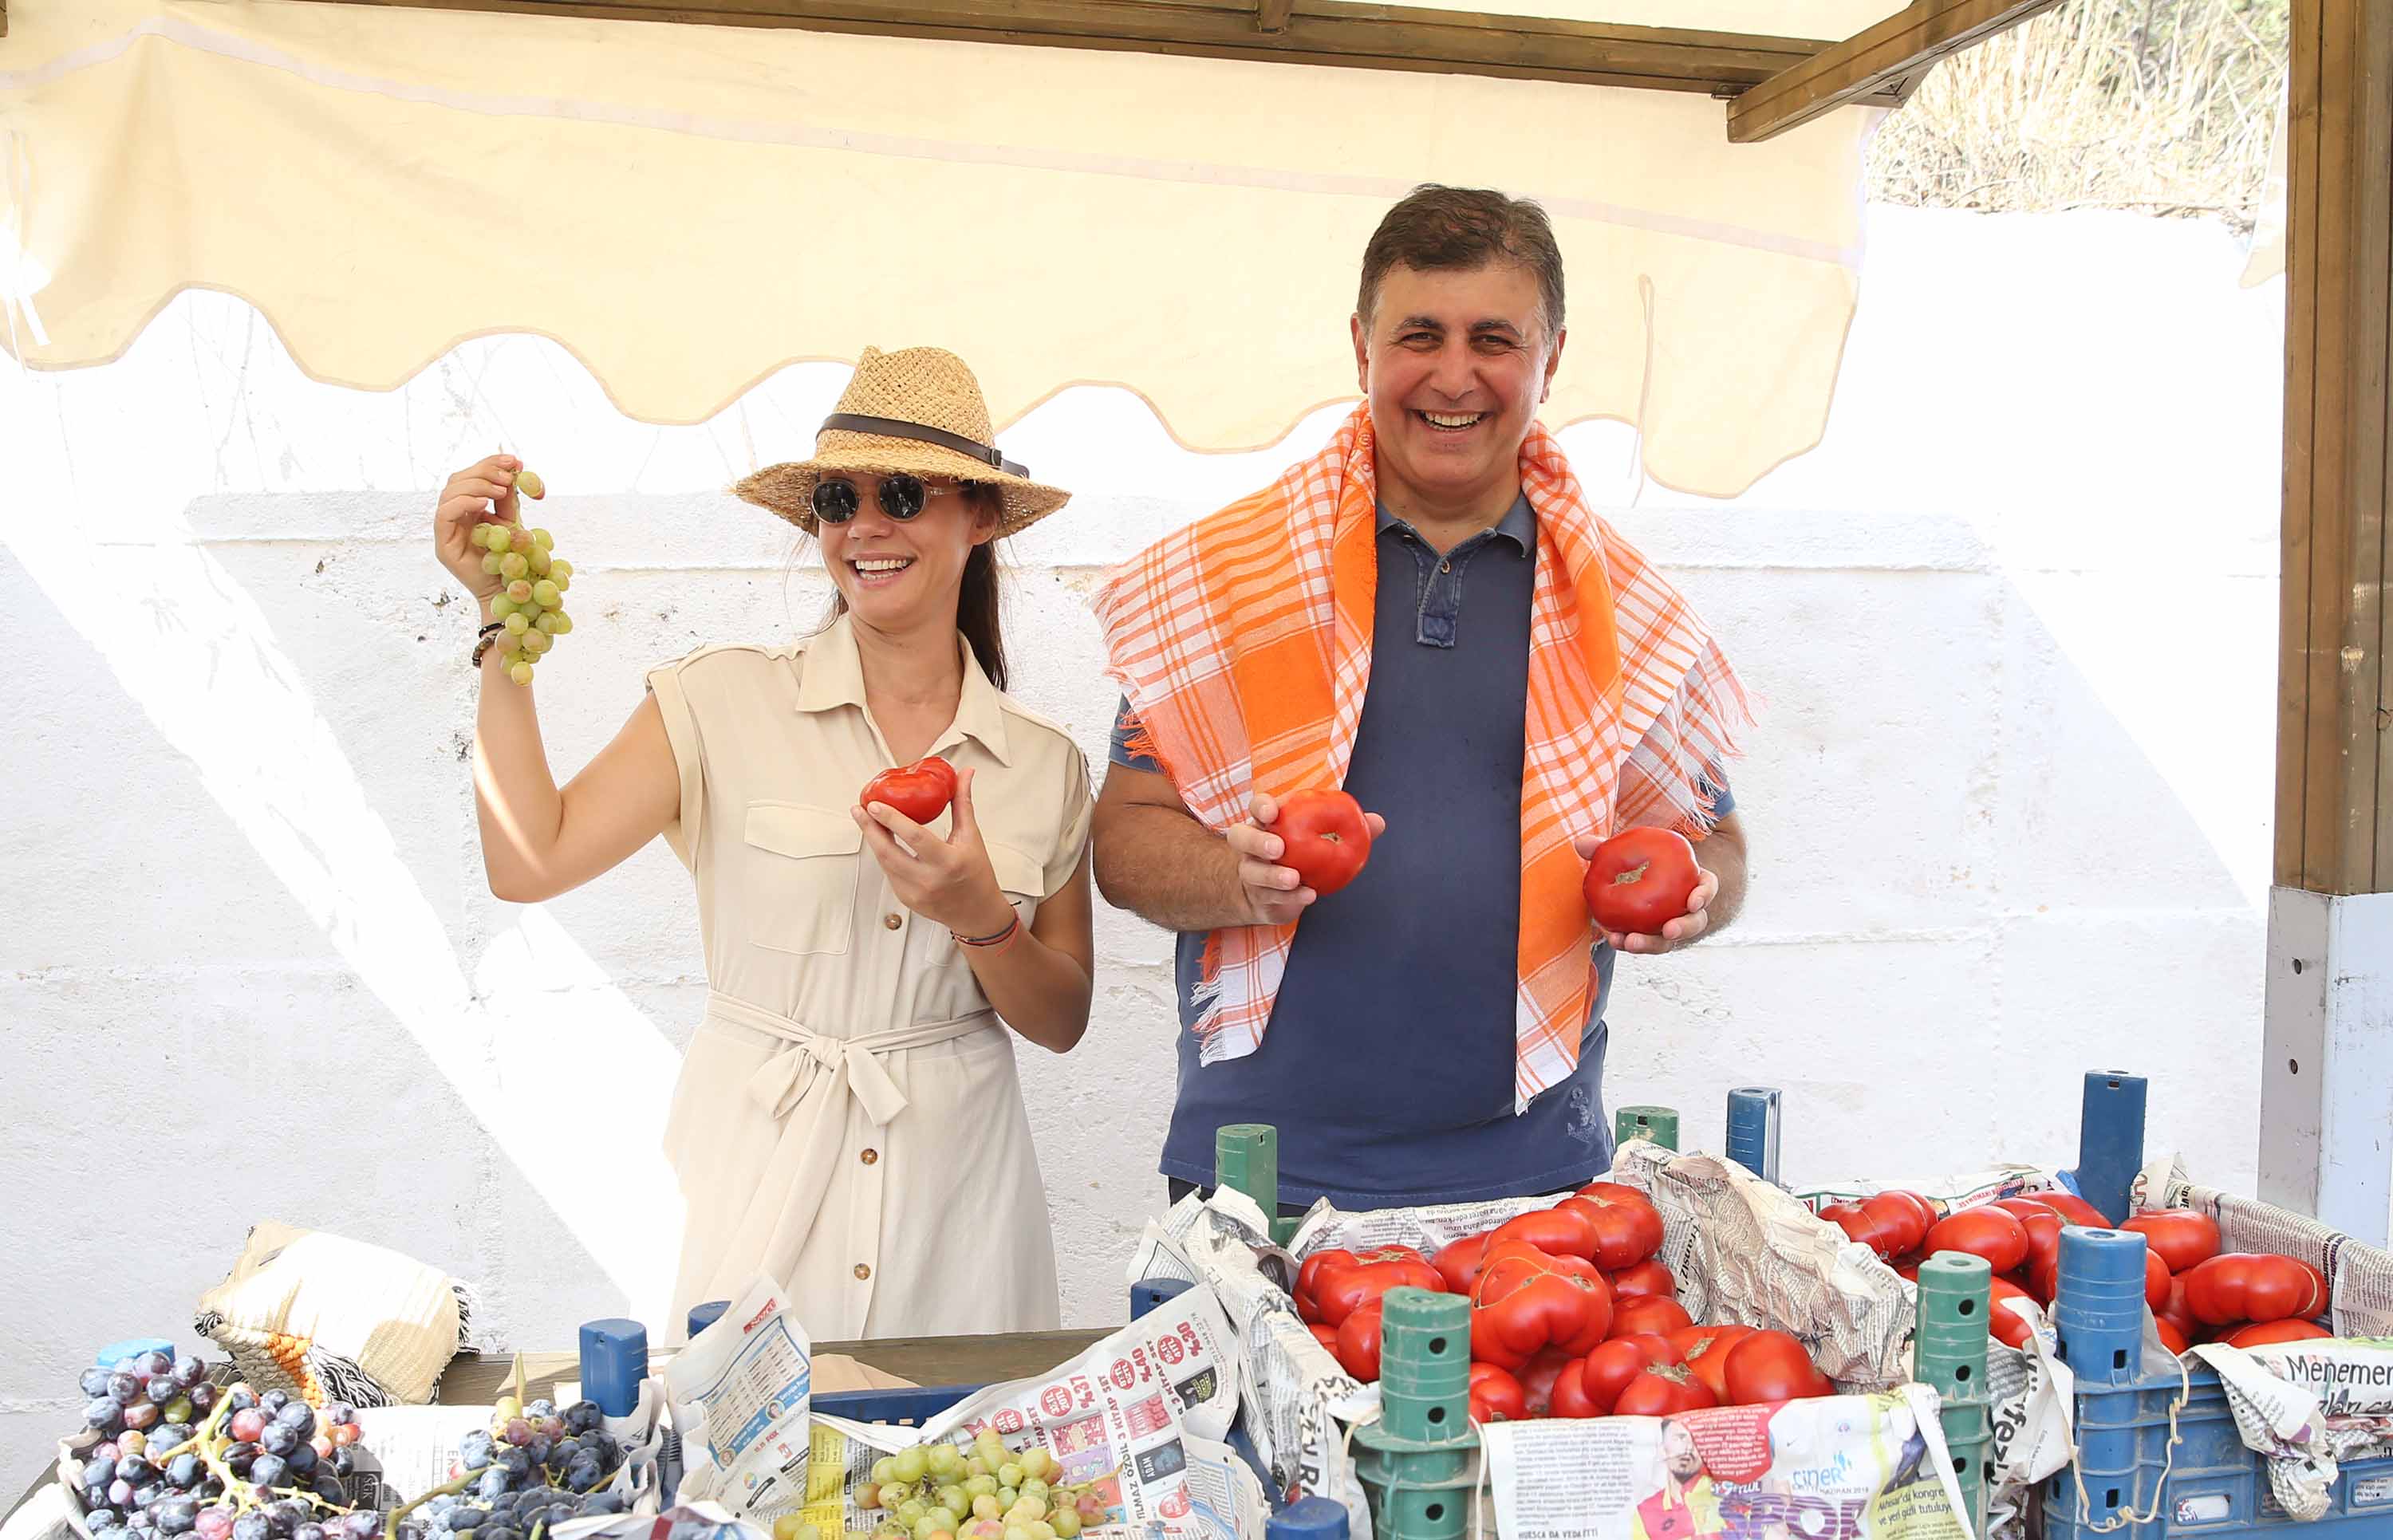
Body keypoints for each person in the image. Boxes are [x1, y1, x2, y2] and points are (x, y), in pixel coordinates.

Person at [1090, 185, 1751, 1212]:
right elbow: (1125, 840)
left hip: (1533, 1178)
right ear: (1362, 347)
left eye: (1495, 337)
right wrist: (1235, 876)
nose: (1455, 375)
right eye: (1419, 335)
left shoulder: (1621, 607)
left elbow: (1717, 846)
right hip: (1259, 1175)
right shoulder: (1229, 580)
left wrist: (1692, 903)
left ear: (1552, 355)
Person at [432, 345, 1098, 1337]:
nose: (865, 526)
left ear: (981, 516)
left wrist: (981, 919)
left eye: (904, 493)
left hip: (959, 1207)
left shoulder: (1046, 766)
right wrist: (500, 623)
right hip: (753, 1181)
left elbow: (1062, 1017)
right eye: (838, 497)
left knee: (960, 1480)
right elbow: (529, 859)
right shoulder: (716, 699)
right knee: (737, 1476)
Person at [1633, 1419, 1728, 1540]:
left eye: (1694, 1441)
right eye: (1679, 1439)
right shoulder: (1644, 1513)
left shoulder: (1729, 1496)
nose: (1688, 1447)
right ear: (1661, 1451)